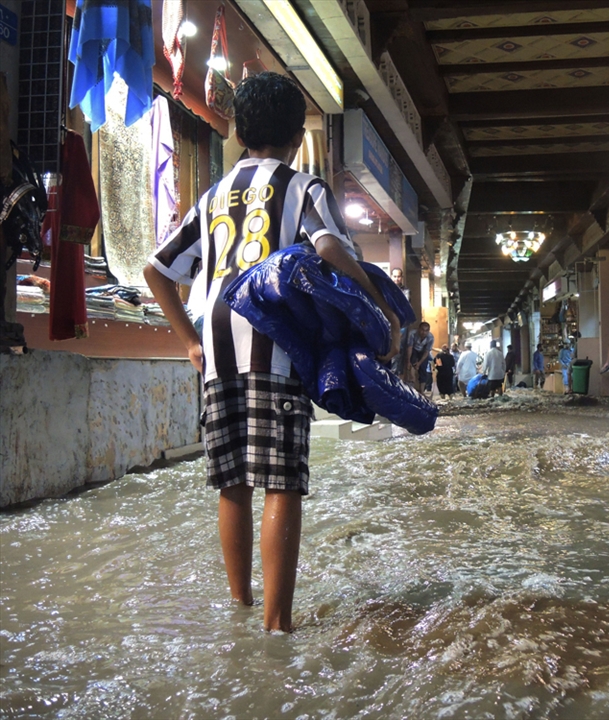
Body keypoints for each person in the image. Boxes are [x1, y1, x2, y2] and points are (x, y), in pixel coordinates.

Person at [143, 72, 400, 633]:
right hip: (274, 342)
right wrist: (378, 301)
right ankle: (277, 625)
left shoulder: (211, 196)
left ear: (237, 130)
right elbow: (329, 246)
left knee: (231, 481)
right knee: (282, 480)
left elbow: (156, 271)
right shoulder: (303, 186)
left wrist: (189, 341)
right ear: (293, 132)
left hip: (214, 345)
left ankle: (241, 608)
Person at [404, 321, 434, 395]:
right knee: (412, 363)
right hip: (413, 349)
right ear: (419, 329)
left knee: (423, 368)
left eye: (426, 331)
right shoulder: (412, 334)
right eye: (422, 330)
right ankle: (412, 384)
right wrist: (408, 361)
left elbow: (427, 351)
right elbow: (410, 347)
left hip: (423, 351)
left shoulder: (430, 337)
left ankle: (422, 391)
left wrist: (420, 363)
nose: (424, 332)